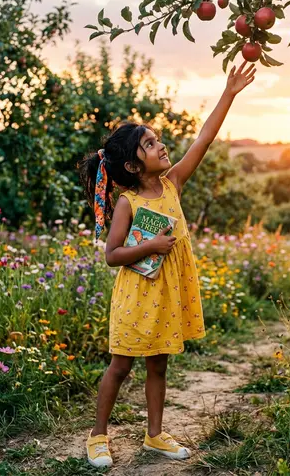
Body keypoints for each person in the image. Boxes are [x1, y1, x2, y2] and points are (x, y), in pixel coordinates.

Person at [77, 61, 255, 468]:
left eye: (158, 140)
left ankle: (154, 435)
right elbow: (112, 255)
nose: (160, 145)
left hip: (166, 292)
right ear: (133, 166)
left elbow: (204, 140)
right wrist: (152, 244)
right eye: (150, 143)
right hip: (136, 295)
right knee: (120, 366)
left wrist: (228, 94)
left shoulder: (173, 183)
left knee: (159, 364)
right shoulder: (129, 203)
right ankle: (98, 436)